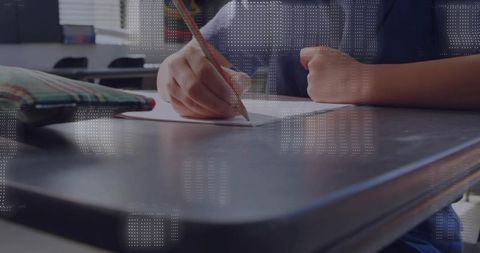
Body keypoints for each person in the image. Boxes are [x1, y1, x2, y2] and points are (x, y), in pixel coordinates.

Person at [157, 1, 479, 252]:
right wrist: (178, 74)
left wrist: (364, 82)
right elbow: (200, 52)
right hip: (275, 216)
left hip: (404, 227)